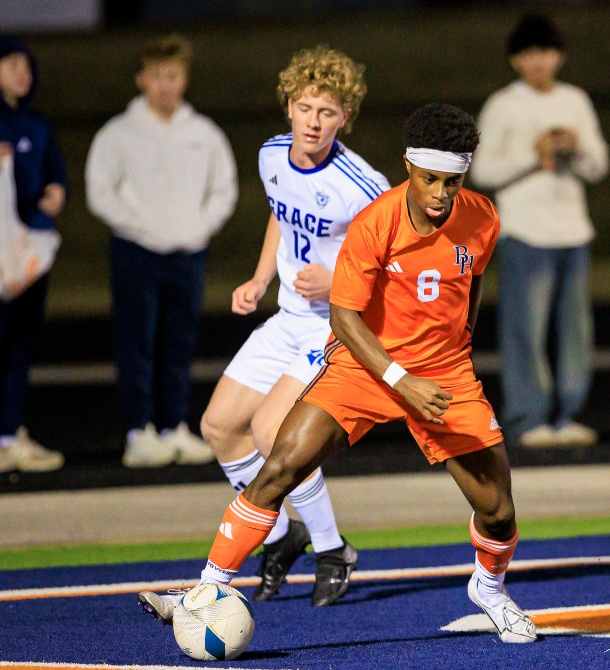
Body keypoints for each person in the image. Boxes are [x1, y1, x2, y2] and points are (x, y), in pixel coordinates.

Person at [137, 102, 537, 643]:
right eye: (430, 179)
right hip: (366, 366)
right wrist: (399, 380)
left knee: (498, 508)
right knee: (280, 463)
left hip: (443, 375)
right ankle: (207, 586)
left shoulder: (483, 216)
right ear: (408, 168)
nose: (441, 193)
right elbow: (345, 318)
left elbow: (474, 277)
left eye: (453, 180)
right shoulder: (376, 222)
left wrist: (459, 340)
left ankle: (489, 588)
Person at [200, 45, 388, 606]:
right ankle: (282, 537)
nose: (314, 120)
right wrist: (260, 280)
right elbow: (281, 215)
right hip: (287, 319)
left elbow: (394, 265)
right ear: (288, 107)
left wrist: (338, 284)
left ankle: (332, 548)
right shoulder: (272, 155)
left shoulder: (366, 186)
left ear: (345, 118)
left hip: (334, 328)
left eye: (327, 111)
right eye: (305, 107)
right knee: (219, 426)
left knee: (269, 432)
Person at [85, 34, 237, 469]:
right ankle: (139, 431)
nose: (165, 85)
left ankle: (173, 427)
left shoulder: (203, 133)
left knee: (179, 343)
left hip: (188, 254)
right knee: (137, 343)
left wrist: (199, 227)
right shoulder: (119, 133)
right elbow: (100, 191)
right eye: (156, 76)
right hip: (136, 252)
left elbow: (223, 188)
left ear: (184, 79)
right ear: (141, 80)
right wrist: (141, 227)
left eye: (172, 76)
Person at [470, 13, 609, 449]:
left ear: (559, 56)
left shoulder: (576, 100)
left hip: (573, 231)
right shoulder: (503, 105)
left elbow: (598, 166)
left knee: (574, 330)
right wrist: (535, 154)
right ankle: (528, 417)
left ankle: (568, 413)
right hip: (525, 232)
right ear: (515, 60)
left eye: (545, 53)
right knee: (524, 329)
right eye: (528, 54)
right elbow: (482, 171)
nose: (538, 62)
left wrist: (576, 145)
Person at [0, 35, 67, 473]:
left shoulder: (36, 124)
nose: (22, 73)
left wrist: (57, 191)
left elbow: (54, 173)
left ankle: (9, 434)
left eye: (26, 65)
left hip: (28, 257)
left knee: (20, 345)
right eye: (11, 64)